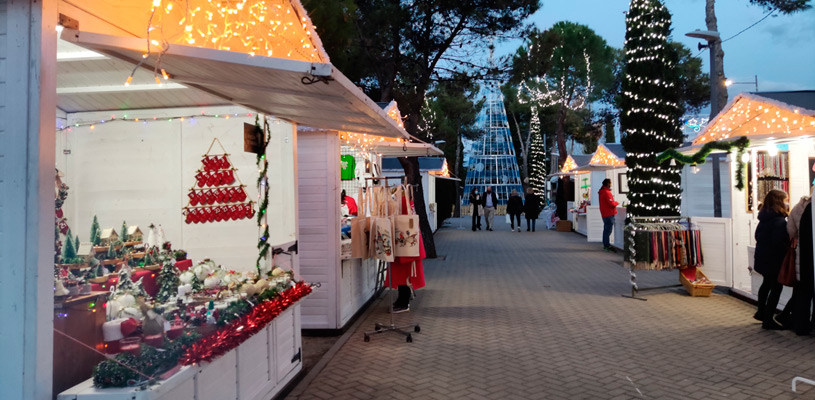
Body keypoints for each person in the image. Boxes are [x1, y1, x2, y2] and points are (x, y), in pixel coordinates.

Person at [753, 189, 791, 330]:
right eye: (785, 200)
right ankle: (768, 319)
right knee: (776, 288)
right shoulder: (778, 221)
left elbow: (758, 237)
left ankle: (761, 312)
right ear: (780, 201)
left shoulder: (764, 218)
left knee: (766, 284)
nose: (787, 203)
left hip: (763, 257)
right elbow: (778, 242)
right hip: (773, 260)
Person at [598, 178, 619, 252]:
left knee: (606, 229)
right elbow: (611, 204)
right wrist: (616, 203)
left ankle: (605, 244)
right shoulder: (607, 192)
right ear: (608, 184)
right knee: (608, 230)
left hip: (604, 213)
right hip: (609, 213)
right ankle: (607, 245)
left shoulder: (601, 192)